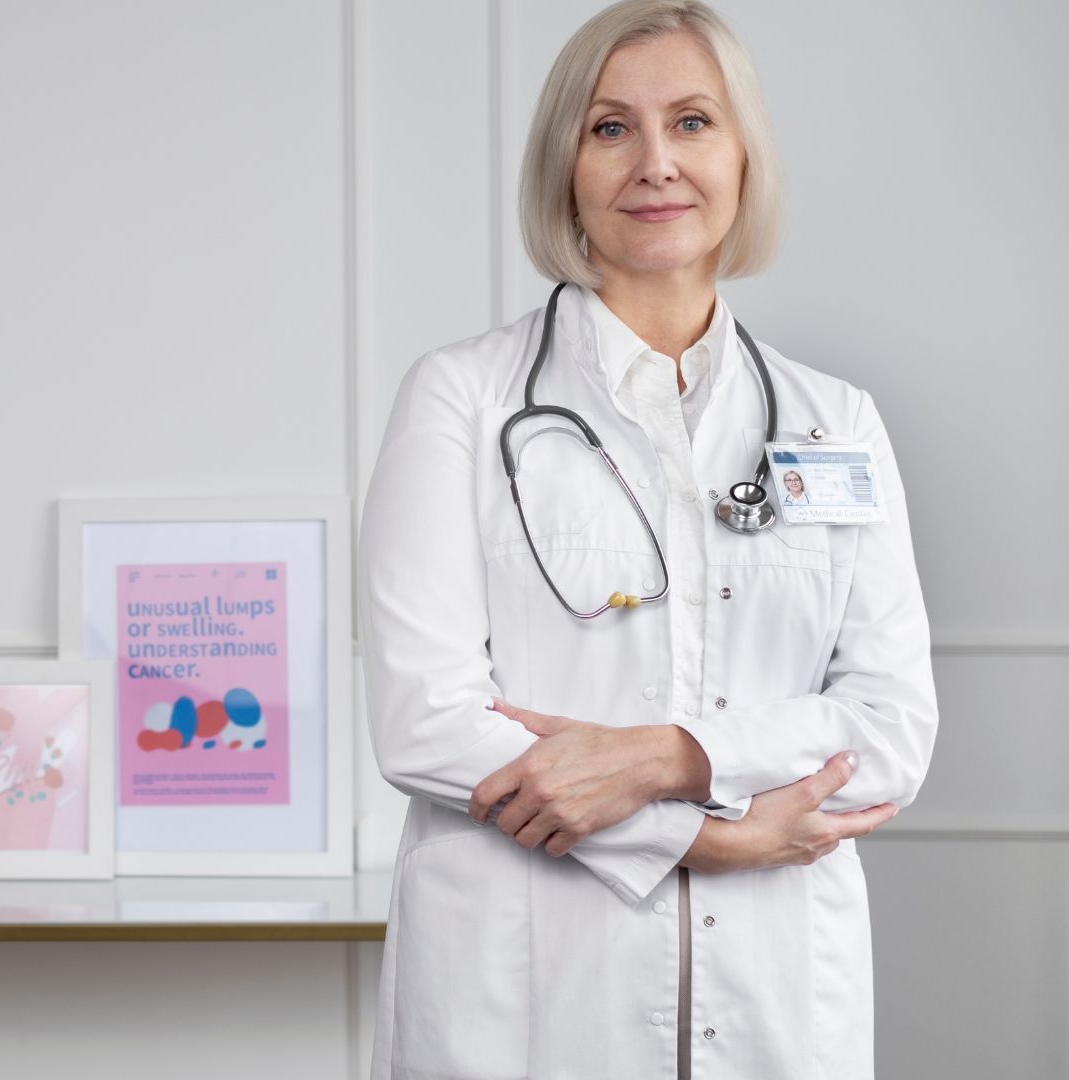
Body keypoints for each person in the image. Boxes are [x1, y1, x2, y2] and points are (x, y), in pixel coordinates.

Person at [355, 2, 939, 1077]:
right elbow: (424, 719)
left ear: (743, 156)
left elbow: (890, 728)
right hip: (522, 995)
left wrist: (665, 758)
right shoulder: (461, 401)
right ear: (565, 166)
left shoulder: (835, 422)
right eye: (611, 128)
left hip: (776, 999)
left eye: (694, 122)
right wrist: (707, 836)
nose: (655, 163)